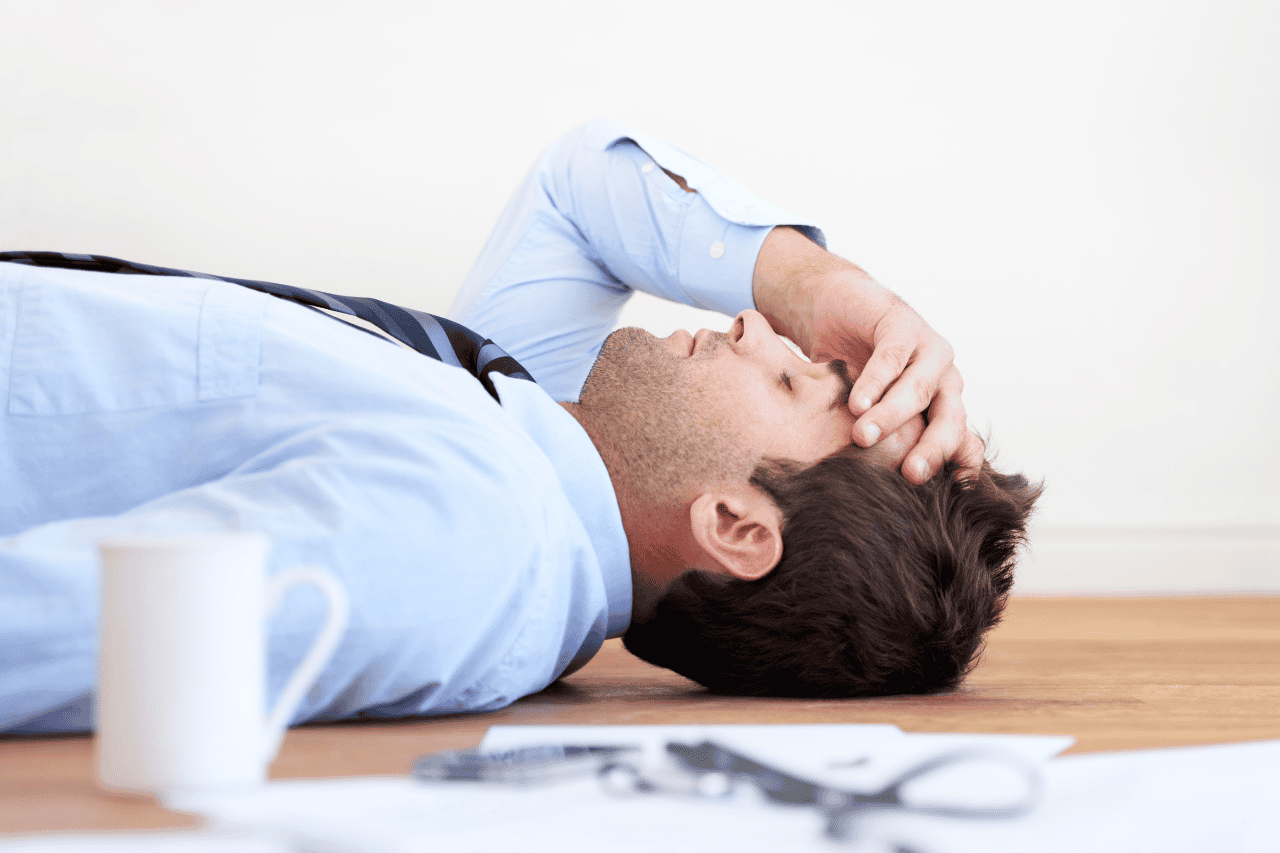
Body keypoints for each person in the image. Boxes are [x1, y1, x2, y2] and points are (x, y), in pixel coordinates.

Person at [0, 119, 1038, 733]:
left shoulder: (470, 540)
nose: (754, 327)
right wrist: (816, 282)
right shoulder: (537, 440)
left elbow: (66, 626)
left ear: (732, 524)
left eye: (794, 383)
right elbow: (578, 188)